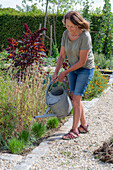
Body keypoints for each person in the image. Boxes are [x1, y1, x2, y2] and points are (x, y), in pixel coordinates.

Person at [52, 11, 95, 140]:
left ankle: (74, 130)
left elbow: (82, 62)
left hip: (85, 69)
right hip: (72, 69)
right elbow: (61, 56)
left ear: (78, 24)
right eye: (67, 25)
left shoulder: (85, 36)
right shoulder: (66, 34)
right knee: (75, 97)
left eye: (71, 26)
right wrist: (56, 73)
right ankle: (84, 125)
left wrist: (65, 72)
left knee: (76, 98)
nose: (69, 28)